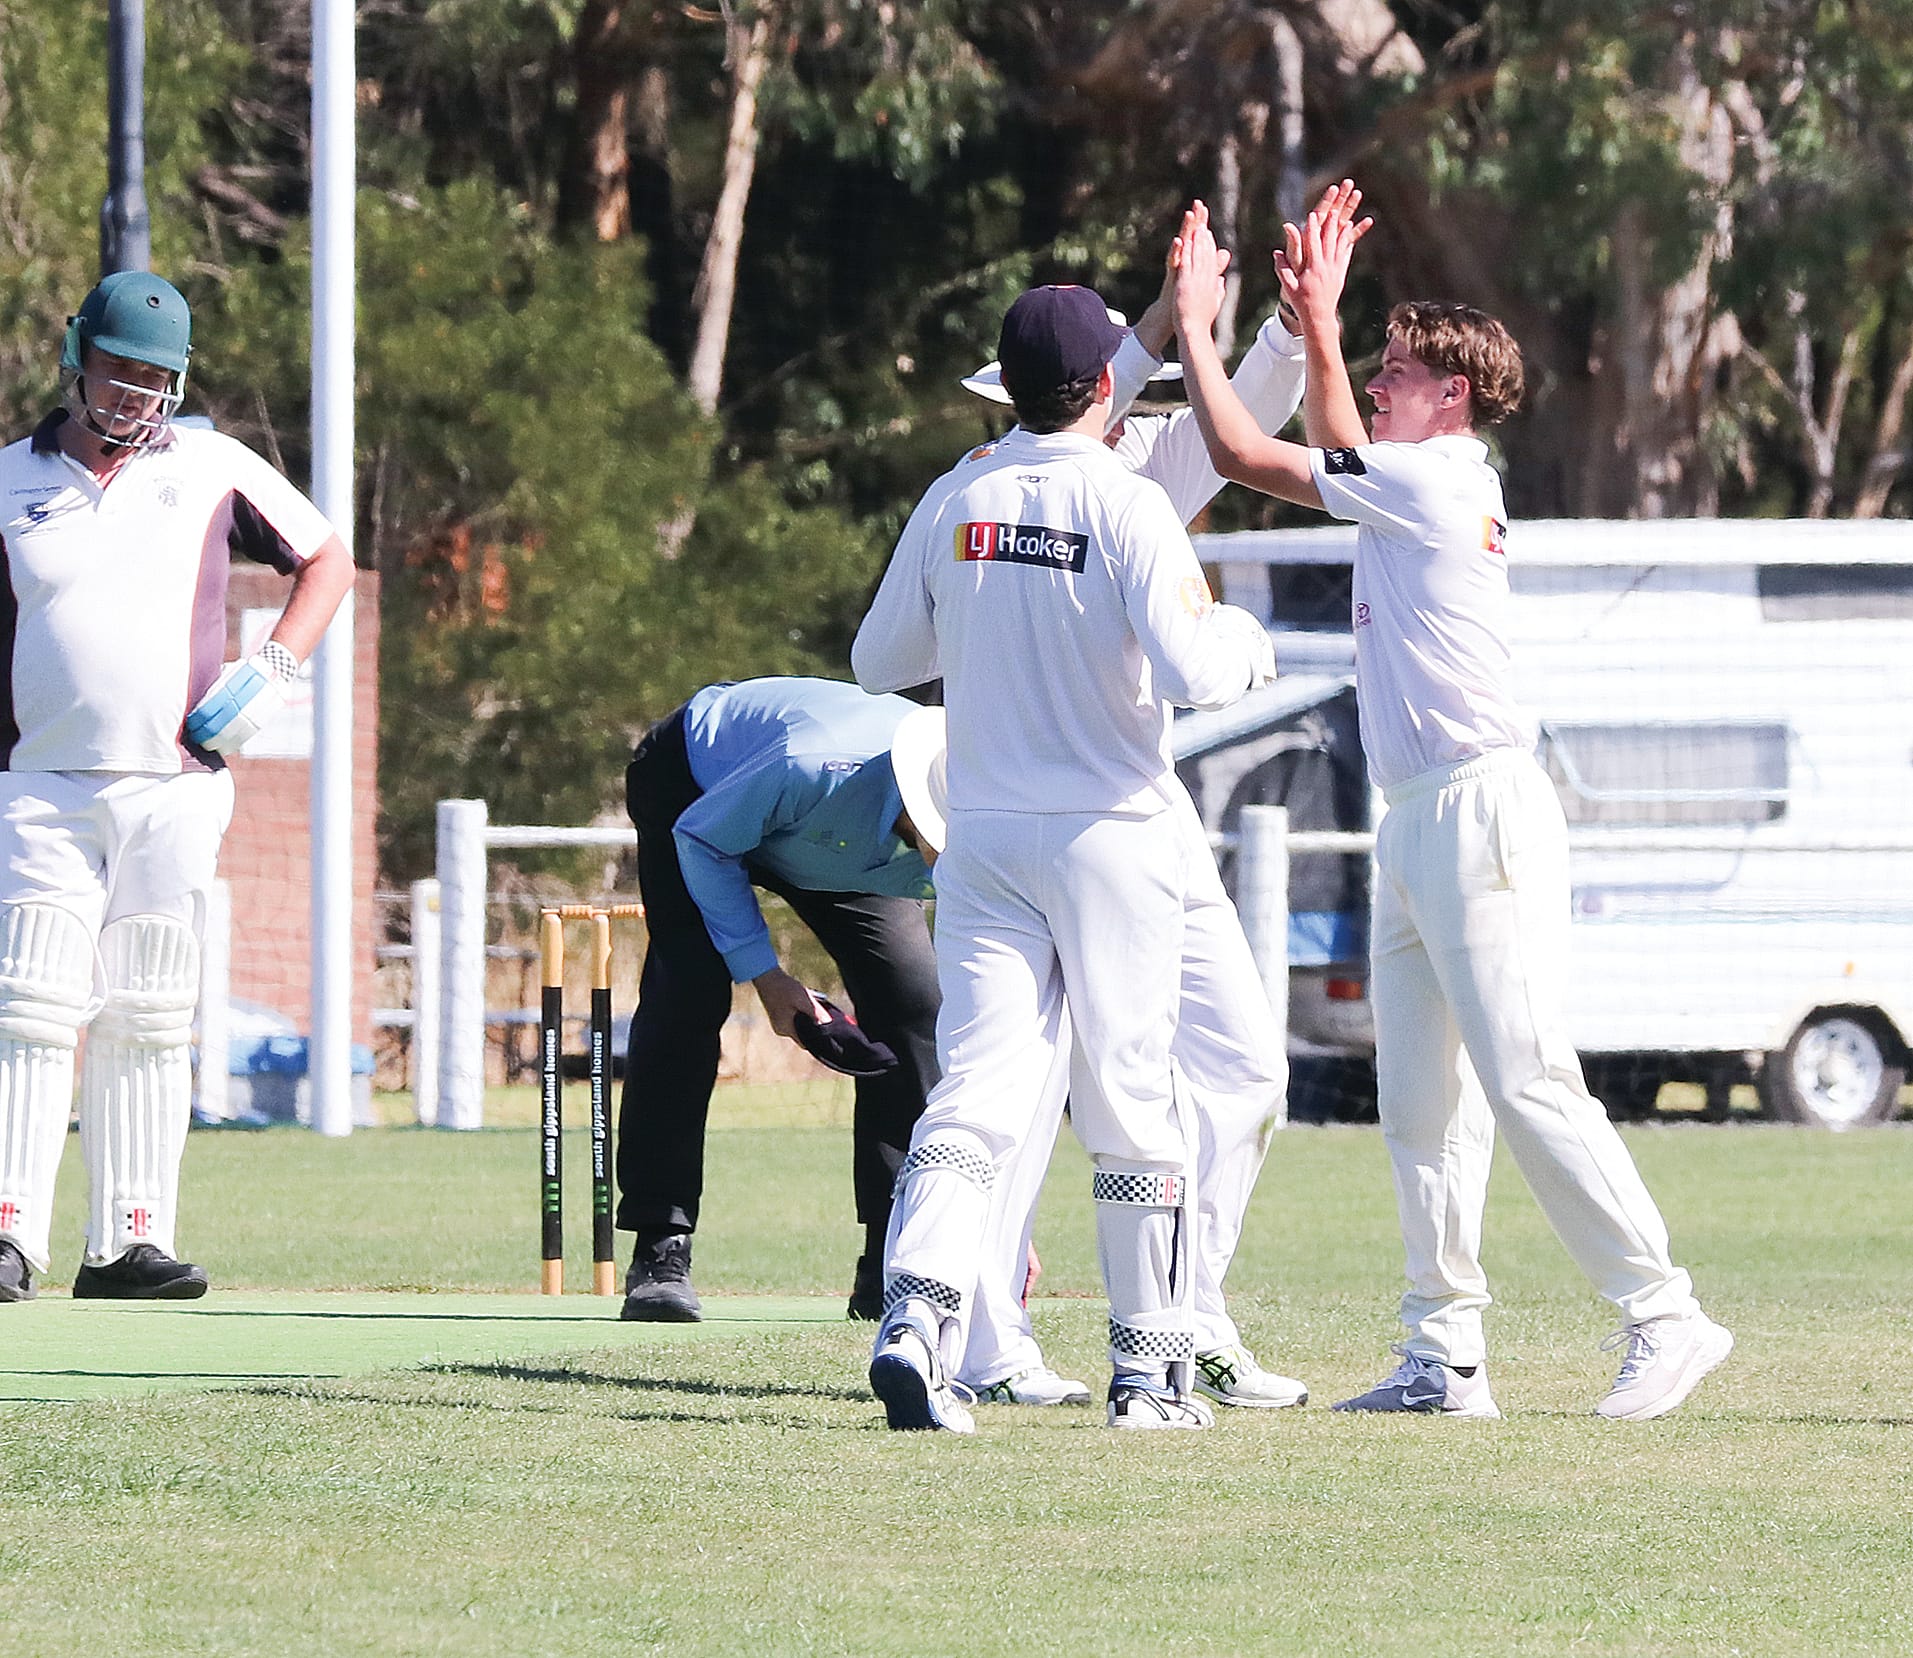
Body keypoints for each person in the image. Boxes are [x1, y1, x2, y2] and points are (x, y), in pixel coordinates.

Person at [1170, 193, 1733, 1420]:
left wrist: (1210, 334)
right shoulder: (1398, 476)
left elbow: (1244, 456)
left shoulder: (1432, 482)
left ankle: (1664, 1312)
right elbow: (1324, 440)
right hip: (1418, 816)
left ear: (1452, 397)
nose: (1374, 388)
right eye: (1374, 371)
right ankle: (1443, 1354)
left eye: (1397, 374)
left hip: (1482, 812)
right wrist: (1317, 328)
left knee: (1530, 1078)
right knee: (1421, 1106)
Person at [945, 203, 1373, 1412]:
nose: (1131, 405)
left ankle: (1187, 1319)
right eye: (1113, 386)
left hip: (1145, 816)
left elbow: (1244, 430)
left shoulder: (1129, 467)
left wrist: (1290, 326)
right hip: (1033, 819)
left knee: (1242, 1068)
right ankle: (983, 1338)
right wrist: (1166, 320)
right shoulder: (986, 477)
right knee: (1024, 1094)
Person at [853, 283, 1275, 1432]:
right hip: (1111, 833)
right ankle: (1147, 1375)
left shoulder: (957, 493)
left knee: (979, 1088)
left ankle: (918, 1316)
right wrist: (1245, 640)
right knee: (1136, 1103)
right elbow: (1194, 669)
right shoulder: (1126, 499)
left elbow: (878, 657)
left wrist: (991, 613)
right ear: (1106, 388)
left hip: (985, 837)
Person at [0, 270, 354, 1304]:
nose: (133, 396)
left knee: (150, 1005)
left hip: (176, 780)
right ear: (77, 356)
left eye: (155, 379)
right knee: (31, 999)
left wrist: (274, 672)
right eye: (117, 371)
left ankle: (129, 1240)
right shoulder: (10, 479)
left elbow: (324, 559)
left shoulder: (210, 464)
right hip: (39, 780)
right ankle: (10, 1230)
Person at [615, 676, 946, 1325]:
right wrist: (767, 977)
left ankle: (891, 1255)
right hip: (695, 789)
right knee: (688, 988)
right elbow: (702, 840)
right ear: (915, 800)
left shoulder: (973, 822)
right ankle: (660, 1244)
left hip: (831, 846)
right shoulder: (815, 763)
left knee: (915, 1006)